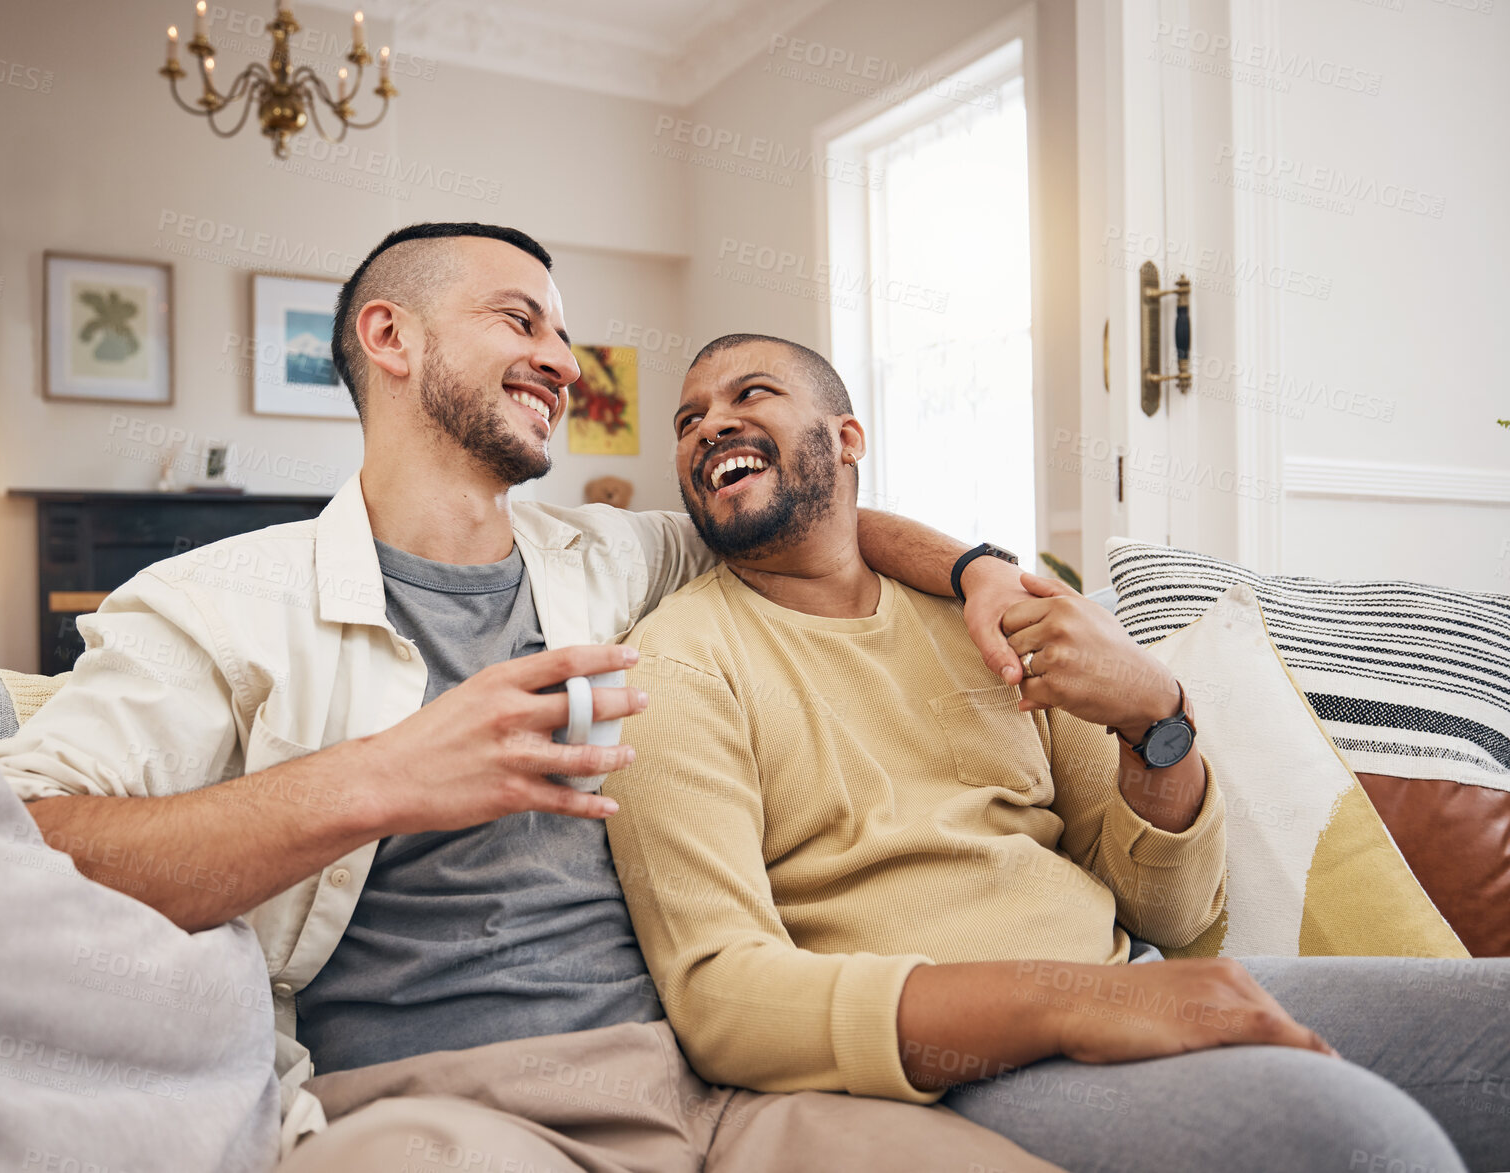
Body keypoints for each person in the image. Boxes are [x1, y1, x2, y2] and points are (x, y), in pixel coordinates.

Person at [0, 224, 1064, 1171]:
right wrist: (380, 780)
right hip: (433, 1113)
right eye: (522, 320)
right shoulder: (213, 606)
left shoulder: (619, 558)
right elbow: (13, 848)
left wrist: (979, 569)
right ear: (391, 338)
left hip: (711, 1095)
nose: (562, 359)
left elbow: (804, 512)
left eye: (564, 334)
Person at [605, 332, 1510, 1173]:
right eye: (688, 420)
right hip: (972, 1062)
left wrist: (1156, 718)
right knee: (1352, 1137)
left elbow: (1171, 902)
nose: (709, 424)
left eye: (748, 393)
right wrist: (1069, 1002)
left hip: (1136, 982)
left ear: (848, 438)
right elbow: (722, 997)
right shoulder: (678, 667)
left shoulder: (986, 623)